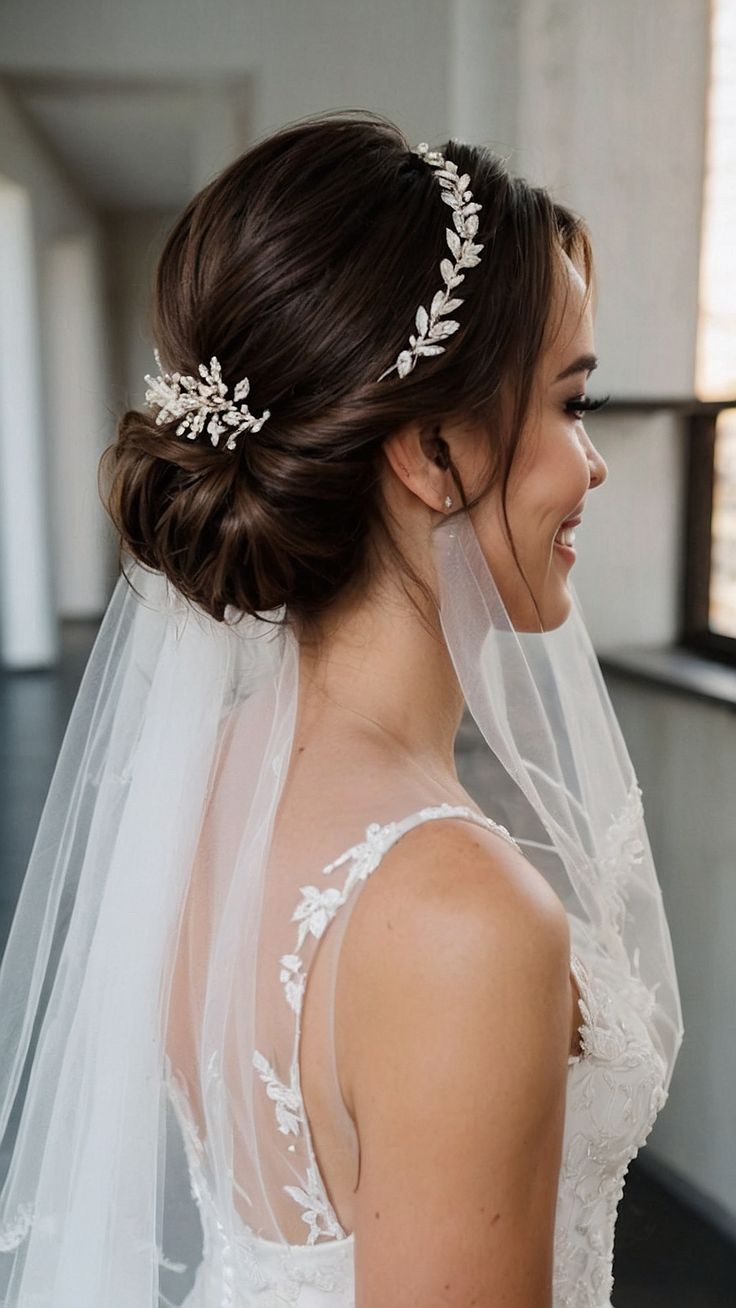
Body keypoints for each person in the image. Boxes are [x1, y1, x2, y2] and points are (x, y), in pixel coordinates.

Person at [0, 112, 683, 1307]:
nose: (595, 463)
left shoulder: (205, 783)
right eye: (571, 405)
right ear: (431, 448)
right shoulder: (460, 918)